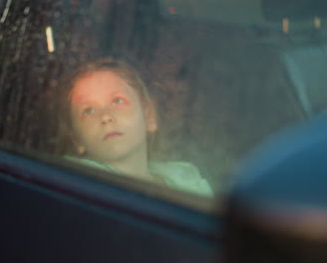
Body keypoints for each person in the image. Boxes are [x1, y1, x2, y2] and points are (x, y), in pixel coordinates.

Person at [57, 57, 213, 197]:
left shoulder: (185, 177)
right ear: (77, 139)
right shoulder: (75, 181)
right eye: (88, 110)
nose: (105, 116)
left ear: (149, 117)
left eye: (117, 101)